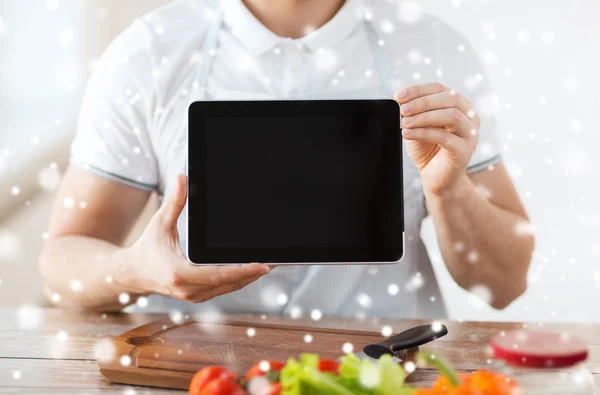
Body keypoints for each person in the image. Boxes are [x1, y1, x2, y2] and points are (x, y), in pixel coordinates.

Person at [39, 0, 534, 319]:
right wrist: (135, 270)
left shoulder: (434, 48)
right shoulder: (149, 51)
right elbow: (61, 265)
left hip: (387, 370)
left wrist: (451, 190)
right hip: (201, 372)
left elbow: (505, 284)